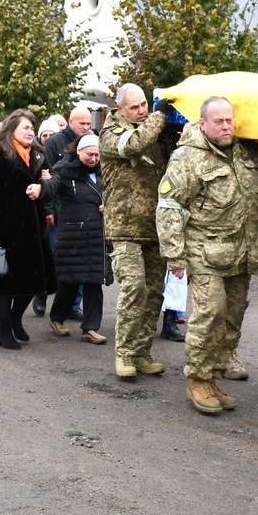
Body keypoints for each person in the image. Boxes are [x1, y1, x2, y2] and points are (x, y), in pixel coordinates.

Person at [156, 96, 258, 415]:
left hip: (242, 251)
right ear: (202, 123)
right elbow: (169, 206)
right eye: (219, 121)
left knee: (232, 317)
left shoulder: (246, 151)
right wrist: (174, 255)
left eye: (230, 120)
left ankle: (213, 377)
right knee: (210, 313)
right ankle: (198, 379)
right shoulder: (188, 157)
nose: (226, 126)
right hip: (205, 249)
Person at [99, 84, 169, 379]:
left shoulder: (153, 132)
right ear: (120, 110)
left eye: (145, 105)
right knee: (134, 287)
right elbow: (133, 145)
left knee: (154, 292)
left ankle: (142, 352)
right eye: (135, 107)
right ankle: (125, 353)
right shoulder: (111, 134)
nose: (142, 111)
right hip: (125, 228)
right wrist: (159, 117)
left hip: (155, 227)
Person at [0, 110, 55, 349]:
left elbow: (52, 181)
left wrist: (43, 186)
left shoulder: (39, 153)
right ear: (12, 129)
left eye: (32, 128)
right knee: (4, 283)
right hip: (4, 229)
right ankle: (3, 330)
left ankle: (15, 319)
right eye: (25, 128)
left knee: (33, 282)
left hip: (34, 228)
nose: (30, 132)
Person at [39, 134, 108, 344]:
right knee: (68, 281)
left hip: (97, 235)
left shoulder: (104, 173)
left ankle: (90, 328)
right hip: (72, 236)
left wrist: (110, 205)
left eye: (97, 154)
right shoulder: (63, 170)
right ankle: (57, 318)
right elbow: (51, 187)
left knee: (94, 282)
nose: (94, 158)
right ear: (79, 152)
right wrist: (42, 185)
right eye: (90, 154)